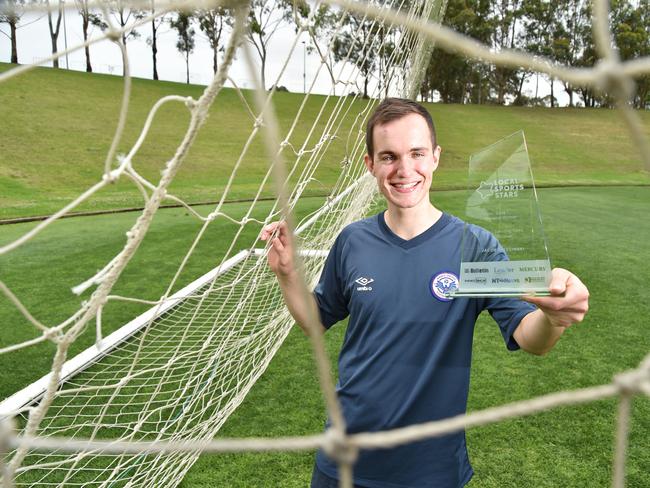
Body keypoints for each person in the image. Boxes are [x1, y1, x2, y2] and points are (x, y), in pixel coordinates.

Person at [260, 98, 589, 488]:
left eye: (416, 153)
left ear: (435, 157)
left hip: (431, 471)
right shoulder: (352, 241)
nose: (404, 170)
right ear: (370, 165)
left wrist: (553, 316)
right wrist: (286, 275)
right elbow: (315, 321)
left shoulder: (475, 246)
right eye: (389, 157)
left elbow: (530, 337)